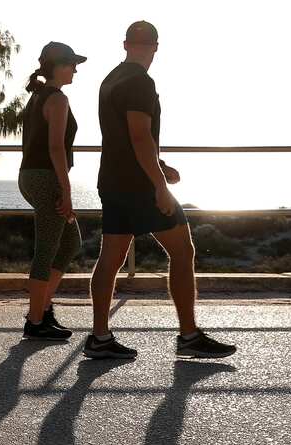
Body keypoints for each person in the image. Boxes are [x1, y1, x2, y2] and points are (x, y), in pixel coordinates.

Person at [84, 20, 237, 359]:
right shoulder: (140, 82)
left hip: (112, 179)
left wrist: (161, 165)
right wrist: (159, 185)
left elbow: (130, 137)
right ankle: (188, 335)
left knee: (110, 259)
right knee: (183, 251)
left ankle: (99, 337)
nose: (143, 49)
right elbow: (139, 136)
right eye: (145, 45)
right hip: (139, 184)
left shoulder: (111, 79)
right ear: (155, 47)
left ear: (125, 44)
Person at [19, 41, 86, 340]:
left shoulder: (38, 96)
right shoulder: (57, 100)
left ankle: (43, 309)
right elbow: (56, 148)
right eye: (72, 64)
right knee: (47, 248)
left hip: (31, 176)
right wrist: (66, 189)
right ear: (59, 66)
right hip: (46, 178)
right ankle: (35, 321)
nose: (75, 70)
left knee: (70, 241)